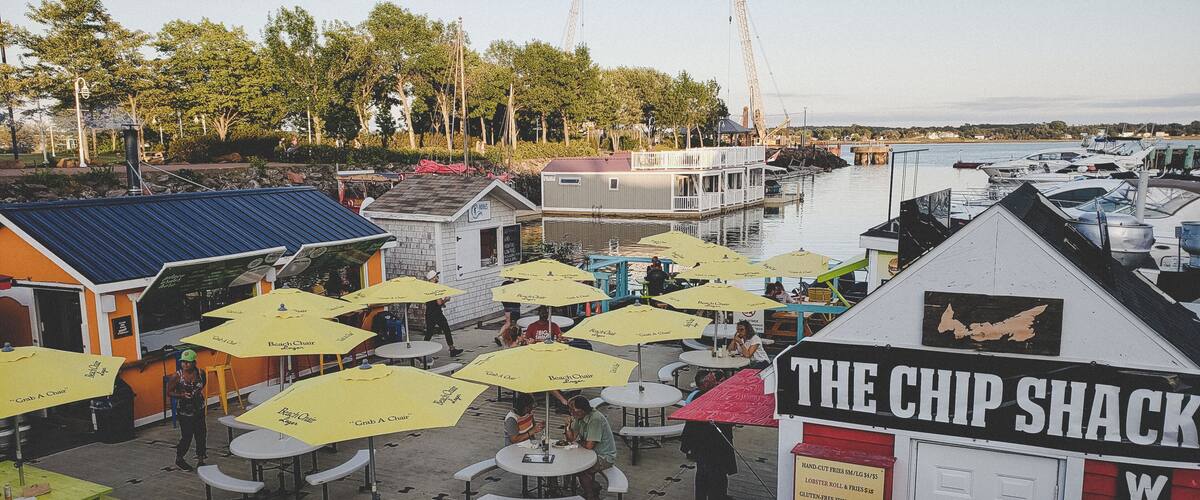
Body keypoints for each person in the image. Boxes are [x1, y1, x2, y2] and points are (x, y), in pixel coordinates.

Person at [680, 371, 737, 500]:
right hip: (708, 445)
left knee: (712, 474)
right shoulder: (702, 399)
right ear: (705, 383)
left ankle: (717, 495)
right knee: (711, 475)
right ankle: (715, 496)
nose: (716, 382)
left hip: (712, 444)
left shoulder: (701, 396)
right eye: (713, 381)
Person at [564, 396, 617, 500]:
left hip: (604, 457)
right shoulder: (579, 417)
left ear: (582, 410)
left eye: (572, 409)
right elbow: (571, 438)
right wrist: (567, 426)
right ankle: (593, 487)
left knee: (581, 469)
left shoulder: (595, 419)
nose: (570, 412)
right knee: (573, 463)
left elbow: (589, 445)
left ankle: (590, 496)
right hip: (590, 454)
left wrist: (579, 442)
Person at [167, 349, 207, 471]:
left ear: (194, 362)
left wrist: (196, 393)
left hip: (198, 407)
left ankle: (201, 459)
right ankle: (180, 458)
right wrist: (181, 395)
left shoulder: (201, 373)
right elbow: (169, 392)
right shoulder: (177, 376)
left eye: (188, 362)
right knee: (187, 435)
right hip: (185, 410)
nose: (185, 364)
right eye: (183, 362)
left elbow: (203, 384)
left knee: (201, 434)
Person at [424, 270, 462, 356]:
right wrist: (446, 300)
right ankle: (452, 349)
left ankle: (422, 351)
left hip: (429, 313)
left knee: (429, 332)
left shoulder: (426, 288)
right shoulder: (436, 288)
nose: (437, 278)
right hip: (437, 314)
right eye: (436, 276)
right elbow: (439, 302)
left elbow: (431, 302)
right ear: (433, 278)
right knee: (446, 329)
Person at [496, 279, 521, 347]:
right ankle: (510, 338)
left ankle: (500, 335)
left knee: (508, 323)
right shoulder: (513, 287)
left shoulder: (505, 286)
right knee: (514, 323)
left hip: (507, 307)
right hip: (515, 308)